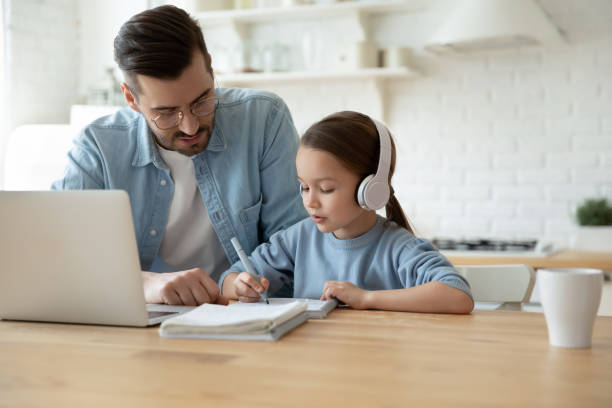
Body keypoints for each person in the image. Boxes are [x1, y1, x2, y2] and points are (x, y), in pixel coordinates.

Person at [52, 5, 307, 306]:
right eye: (167, 113)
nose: (191, 125)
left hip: (247, 313)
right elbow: (63, 255)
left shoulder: (263, 118)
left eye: (202, 101)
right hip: (145, 322)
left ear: (210, 67)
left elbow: (294, 239)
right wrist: (146, 284)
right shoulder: (97, 147)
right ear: (131, 98)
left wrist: (233, 284)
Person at [219, 111, 474, 313]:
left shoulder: (398, 247)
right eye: (304, 187)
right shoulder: (297, 239)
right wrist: (241, 285)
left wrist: (366, 298)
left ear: (370, 189)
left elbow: (458, 296)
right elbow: (228, 279)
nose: (310, 201)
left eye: (326, 189)